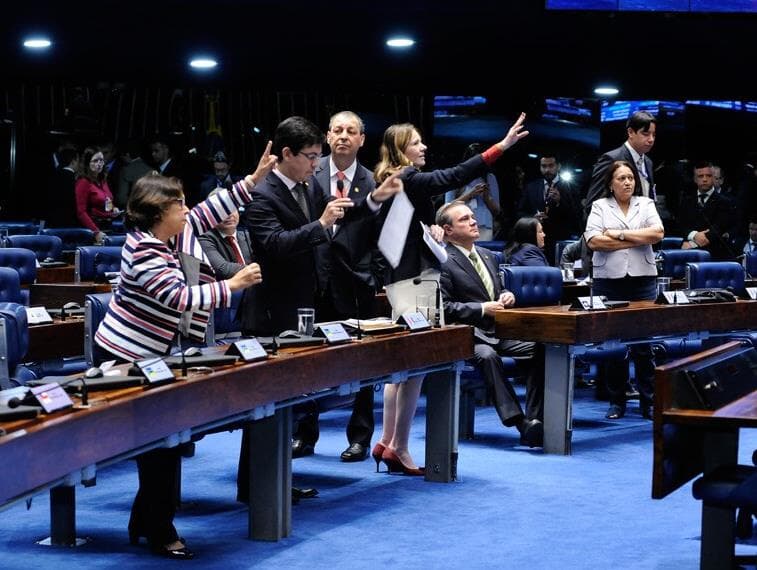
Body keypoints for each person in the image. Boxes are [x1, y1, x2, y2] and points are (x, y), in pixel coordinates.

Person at [93, 145, 275, 560]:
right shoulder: (142, 249)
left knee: (162, 443)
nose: (187, 211)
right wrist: (234, 284)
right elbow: (177, 296)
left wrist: (255, 177)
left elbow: (214, 208)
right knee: (158, 446)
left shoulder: (174, 231)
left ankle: (145, 521)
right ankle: (158, 528)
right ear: (158, 213)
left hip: (154, 355)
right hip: (124, 355)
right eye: (179, 205)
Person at [372, 113, 528, 474]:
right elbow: (454, 176)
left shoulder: (391, 180)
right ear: (400, 150)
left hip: (402, 277)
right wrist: (500, 147)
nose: (424, 146)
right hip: (415, 282)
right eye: (416, 142)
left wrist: (429, 230)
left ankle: (387, 439)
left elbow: (403, 230)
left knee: (403, 368)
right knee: (416, 369)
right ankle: (401, 448)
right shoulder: (407, 176)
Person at [301, 110, 387, 462]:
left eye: (351, 131)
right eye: (337, 130)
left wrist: (375, 278)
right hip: (313, 283)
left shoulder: (373, 181)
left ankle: (360, 437)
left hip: (358, 286)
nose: (343, 136)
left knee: (363, 363)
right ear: (327, 135)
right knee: (306, 361)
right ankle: (304, 435)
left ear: (362, 139)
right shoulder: (308, 173)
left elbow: (384, 238)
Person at [437, 201, 544, 447]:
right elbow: (443, 308)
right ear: (448, 230)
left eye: (472, 217)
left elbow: (497, 289)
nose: (474, 221)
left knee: (542, 346)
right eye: (464, 219)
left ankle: (535, 418)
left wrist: (507, 295)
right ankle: (520, 423)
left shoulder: (488, 255)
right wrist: (483, 308)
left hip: (498, 331)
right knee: (486, 356)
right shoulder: (443, 261)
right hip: (467, 336)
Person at [584, 160, 664, 420]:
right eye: (621, 178)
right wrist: (635, 238)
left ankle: (649, 401)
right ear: (610, 183)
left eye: (630, 177)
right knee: (615, 344)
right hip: (610, 279)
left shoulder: (646, 204)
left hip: (642, 279)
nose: (628, 182)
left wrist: (618, 235)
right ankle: (616, 400)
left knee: (644, 344)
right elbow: (594, 240)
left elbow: (657, 235)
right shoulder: (599, 206)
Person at [585, 111, 657, 215]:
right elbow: (592, 205)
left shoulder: (648, 162)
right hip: (616, 228)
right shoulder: (611, 159)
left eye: (653, 135)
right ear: (630, 132)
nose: (651, 139)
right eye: (645, 134)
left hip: (643, 229)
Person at [518, 153, 580, 263]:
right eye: (544, 166)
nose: (547, 169)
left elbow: (577, 214)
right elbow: (520, 211)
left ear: (558, 166)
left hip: (560, 238)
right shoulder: (531, 186)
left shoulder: (571, 187)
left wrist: (559, 202)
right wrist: (533, 218)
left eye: (551, 166)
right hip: (535, 239)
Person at [677, 161, 739, 261]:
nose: (705, 179)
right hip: (689, 254)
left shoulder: (725, 202)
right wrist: (694, 235)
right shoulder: (686, 201)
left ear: (713, 178)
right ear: (695, 179)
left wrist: (693, 243)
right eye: (701, 176)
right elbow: (681, 225)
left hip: (716, 255)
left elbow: (718, 229)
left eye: (708, 176)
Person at [444, 143, 501, 241]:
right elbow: (446, 208)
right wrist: (469, 195)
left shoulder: (490, 178)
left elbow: (497, 211)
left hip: (484, 227)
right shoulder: (455, 176)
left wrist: (487, 197)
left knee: (481, 255)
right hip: (460, 226)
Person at [75, 147, 120, 242]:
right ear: (87, 164)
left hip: (108, 227)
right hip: (93, 229)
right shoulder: (83, 182)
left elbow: (108, 199)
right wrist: (95, 232)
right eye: (95, 161)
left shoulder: (102, 180)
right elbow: (81, 212)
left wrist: (113, 209)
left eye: (101, 160)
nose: (99, 164)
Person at [46, 146, 80, 227]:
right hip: (71, 225)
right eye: (78, 160)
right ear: (73, 161)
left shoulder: (51, 178)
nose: (79, 164)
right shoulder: (76, 181)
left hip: (52, 223)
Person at [116, 139, 153, 209]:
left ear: (127, 154)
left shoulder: (125, 170)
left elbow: (121, 198)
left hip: (132, 210)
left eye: (121, 156)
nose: (121, 159)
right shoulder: (152, 169)